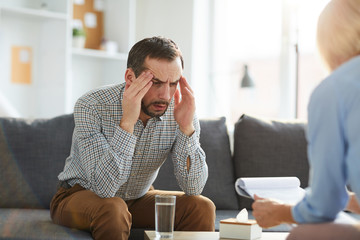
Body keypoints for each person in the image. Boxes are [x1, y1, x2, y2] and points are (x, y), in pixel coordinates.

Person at [50, 36, 215, 240]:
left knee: (201, 206)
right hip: (79, 196)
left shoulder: (180, 109)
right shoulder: (92, 105)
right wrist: (127, 123)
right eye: (156, 82)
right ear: (130, 78)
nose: (165, 95)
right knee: (113, 207)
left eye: (173, 84)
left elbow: (194, 187)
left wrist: (187, 128)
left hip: (137, 198)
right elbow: (104, 188)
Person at [252, 0, 360, 239]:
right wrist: (349, 200)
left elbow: (323, 208)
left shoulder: (334, 89)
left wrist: (280, 212)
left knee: (305, 233)